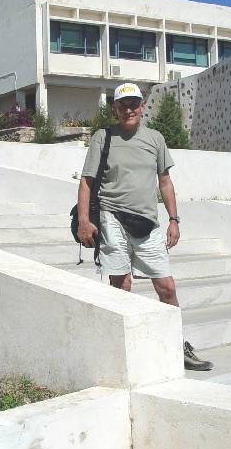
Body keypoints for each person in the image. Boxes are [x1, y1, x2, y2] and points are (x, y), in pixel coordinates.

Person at [76, 83, 213, 371]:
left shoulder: (155, 139)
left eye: (133, 104)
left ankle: (176, 346)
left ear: (142, 107)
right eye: (122, 105)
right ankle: (122, 351)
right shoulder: (103, 137)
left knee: (166, 287)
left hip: (147, 222)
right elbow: (87, 181)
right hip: (111, 217)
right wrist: (85, 222)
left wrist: (174, 220)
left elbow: (165, 182)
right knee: (121, 285)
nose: (128, 110)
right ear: (115, 108)